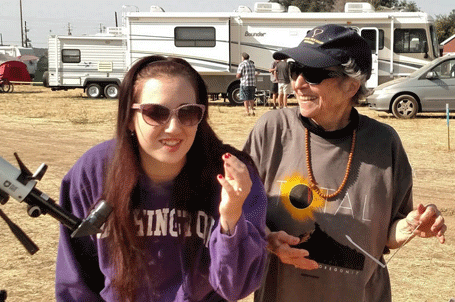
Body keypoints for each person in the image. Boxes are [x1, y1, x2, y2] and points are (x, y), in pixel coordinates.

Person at [243, 24, 447, 302]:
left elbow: (388, 234)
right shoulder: (272, 130)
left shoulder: (384, 142)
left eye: (313, 74)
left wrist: (412, 225)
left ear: (351, 85)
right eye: (295, 70)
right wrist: (268, 239)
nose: (298, 84)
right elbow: (239, 213)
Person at [56, 55, 268, 302]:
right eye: (155, 113)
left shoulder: (232, 177)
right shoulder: (95, 171)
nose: (174, 128)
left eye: (188, 113)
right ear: (129, 119)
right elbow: (75, 282)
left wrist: (231, 218)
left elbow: (236, 288)